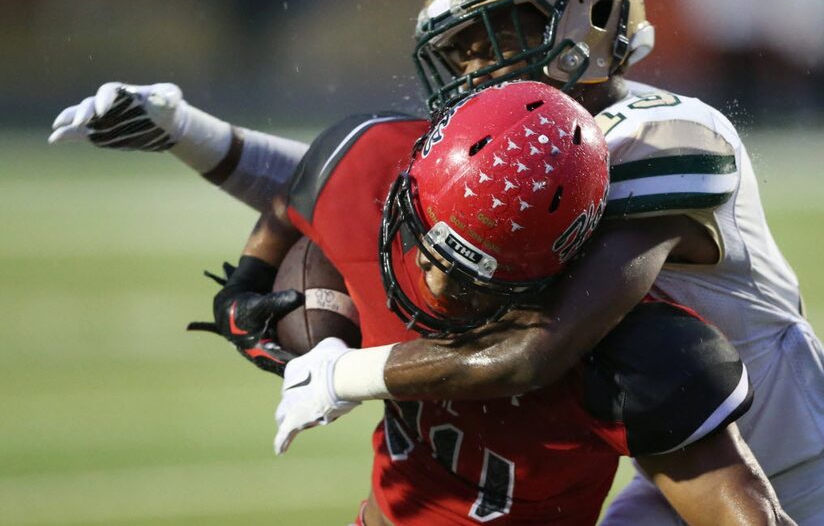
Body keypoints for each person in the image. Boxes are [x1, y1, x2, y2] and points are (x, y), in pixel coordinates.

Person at [49, 0, 824, 525]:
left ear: (581, 24)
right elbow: (361, 188)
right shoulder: (532, 136)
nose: (473, 68)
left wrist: (346, 372)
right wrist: (192, 133)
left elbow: (542, 346)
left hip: (803, 468)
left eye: (494, 37)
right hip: (679, 464)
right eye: (462, 48)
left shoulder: (670, 136)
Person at [268, 79, 782, 525]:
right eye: (426, 242)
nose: (435, 282)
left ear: (546, 268)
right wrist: (253, 292)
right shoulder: (368, 172)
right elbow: (287, 199)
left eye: (472, 276)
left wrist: (339, 376)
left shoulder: (633, 356)